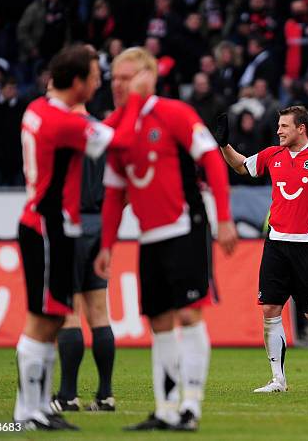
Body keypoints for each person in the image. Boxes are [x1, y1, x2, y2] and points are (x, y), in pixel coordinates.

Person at [94, 47, 237, 432]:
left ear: (146, 78)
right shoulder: (115, 127)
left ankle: (191, 405)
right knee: (158, 323)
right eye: (113, 79)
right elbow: (113, 194)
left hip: (186, 226)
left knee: (189, 314)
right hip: (149, 237)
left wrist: (223, 218)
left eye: (126, 78)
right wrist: (106, 246)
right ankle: (165, 408)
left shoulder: (173, 113)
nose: (117, 85)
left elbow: (211, 160)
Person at [14, 44, 146, 431]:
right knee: (43, 321)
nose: (99, 82)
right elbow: (120, 141)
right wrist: (136, 97)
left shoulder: (38, 110)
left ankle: (41, 407)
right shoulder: (65, 123)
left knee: (54, 319)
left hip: (52, 225)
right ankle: (28, 411)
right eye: (94, 77)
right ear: (77, 83)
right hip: (49, 228)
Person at [217, 106, 308, 393]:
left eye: (284, 126)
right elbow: (241, 166)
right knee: (270, 309)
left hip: (307, 246)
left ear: (301, 128)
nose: (279, 131)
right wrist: (224, 145)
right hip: (276, 243)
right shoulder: (273, 155)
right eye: (278, 126)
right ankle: (278, 379)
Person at [50, 107, 116, 413]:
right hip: (99, 224)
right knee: (99, 314)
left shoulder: (63, 130)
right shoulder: (101, 133)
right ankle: (104, 395)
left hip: (71, 224)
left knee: (69, 312)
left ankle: (67, 395)